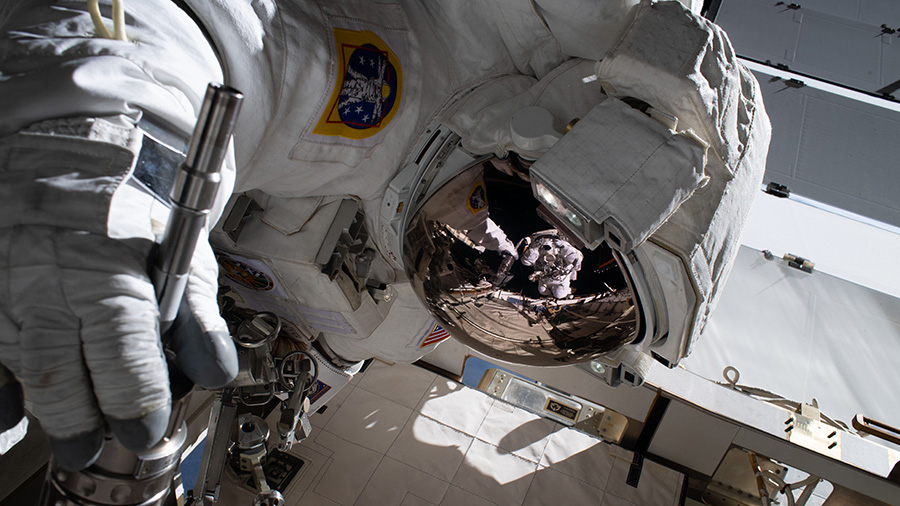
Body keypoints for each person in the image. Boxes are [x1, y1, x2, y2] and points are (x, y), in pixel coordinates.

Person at [0, 0, 768, 479]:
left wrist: (296, 397)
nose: (500, 280)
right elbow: (219, 39)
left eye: (554, 312)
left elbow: (351, 344)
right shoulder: (421, 81)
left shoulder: (436, 291)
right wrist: (112, 166)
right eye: (523, 243)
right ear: (542, 141)